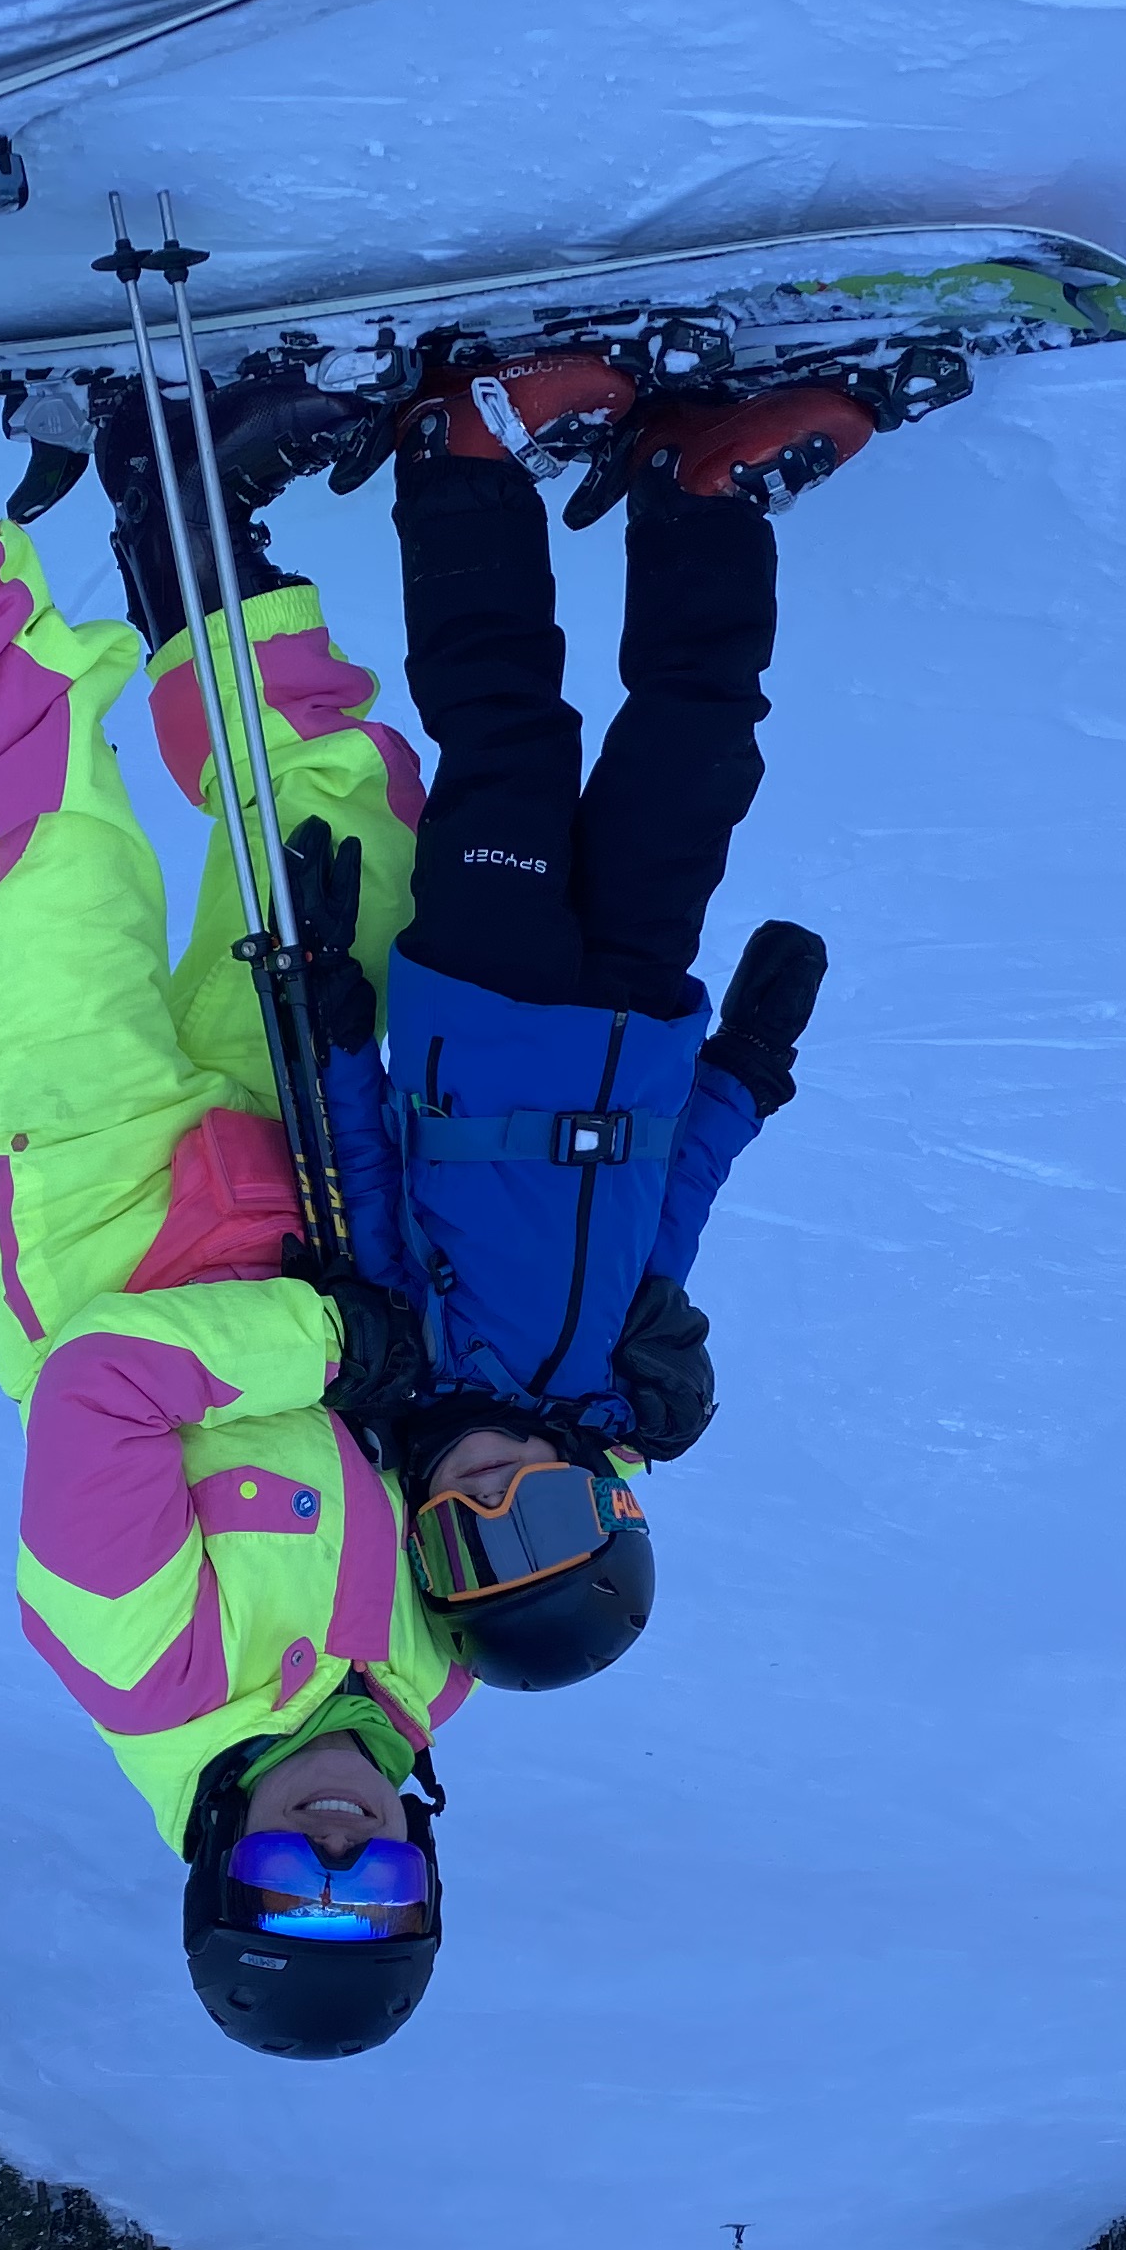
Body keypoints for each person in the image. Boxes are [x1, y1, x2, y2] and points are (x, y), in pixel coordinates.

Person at [0, 177, 458, 2061]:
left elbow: (106, 1397)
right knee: (360, 844)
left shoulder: (143, 1667)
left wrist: (319, 1339)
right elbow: (489, 1454)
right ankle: (182, 487)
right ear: (425, 1874)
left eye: (287, 1887)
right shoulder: (441, 1677)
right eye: (373, 1892)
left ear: (213, 1868)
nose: (335, 1853)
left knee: (33, 775)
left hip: (98, 1192)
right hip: (314, 1177)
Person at [290, 345, 849, 1693]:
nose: (490, 1498)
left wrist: (328, 1025)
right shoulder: (619, 1380)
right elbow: (675, 1206)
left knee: (513, 740)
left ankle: (459, 467)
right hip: (638, 1021)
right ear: (604, 1499)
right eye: (536, 1523)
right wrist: (746, 1072)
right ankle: (698, 487)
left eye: (466, 1547)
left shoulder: (396, 1366)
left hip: (477, 1009)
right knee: (695, 756)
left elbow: (356, 1175)